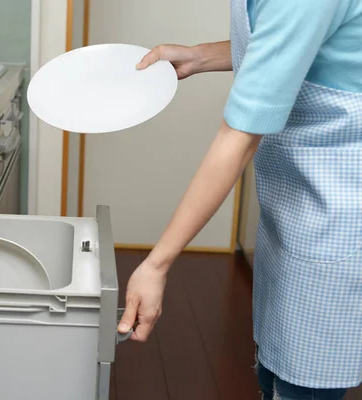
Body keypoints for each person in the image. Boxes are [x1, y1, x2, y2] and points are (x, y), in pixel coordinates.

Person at [117, 0, 362, 399]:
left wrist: (157, 264)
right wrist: (199, 57)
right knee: (273, 372)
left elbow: (240, 135)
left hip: (337, 222)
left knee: (301, 385)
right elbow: (285, 44)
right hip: (294, 206)